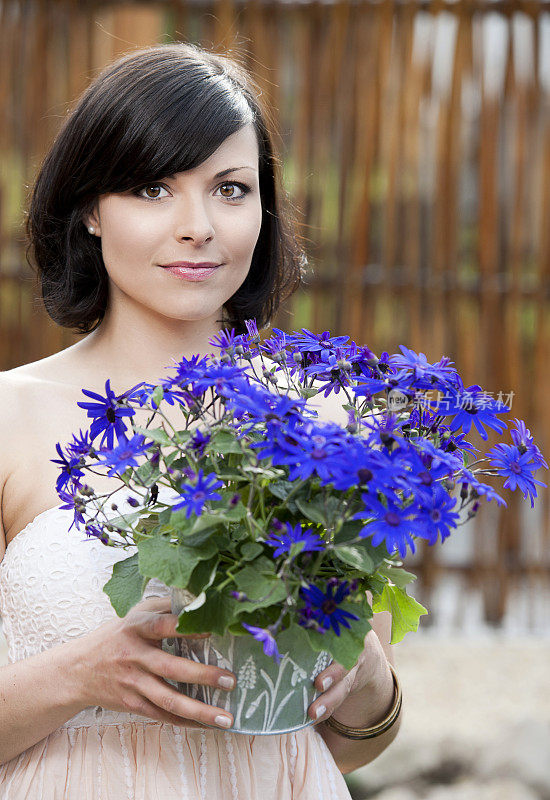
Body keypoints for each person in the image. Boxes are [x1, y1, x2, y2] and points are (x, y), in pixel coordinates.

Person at [0, 42, 402, 798]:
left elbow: (345, 748)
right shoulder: (8, 417)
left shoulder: (326, 417)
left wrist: (366, 671)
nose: (198, 226)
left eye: (230, 188)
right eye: (153, 188)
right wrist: (80, 674)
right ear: (88, 209)